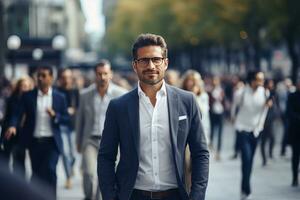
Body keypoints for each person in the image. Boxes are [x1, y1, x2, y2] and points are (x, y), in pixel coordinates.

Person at [97, 33, 209, 200]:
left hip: (175, 195)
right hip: (134, 195)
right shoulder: (118, 107)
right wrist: (110, 196)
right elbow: (106, 157)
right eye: (143, 60)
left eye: (156, 59)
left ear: (165, 63)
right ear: (134, 65)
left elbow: (200, 153)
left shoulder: (187, 101)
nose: (151, 65)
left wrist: (197, 196)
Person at [5, 66, 69, 199]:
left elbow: (66, 119)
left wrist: (55, 116)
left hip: (52, 142)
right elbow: (17, 113)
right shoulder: (28, 96)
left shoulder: (59, 97)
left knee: (50, 171)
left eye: (44, 76)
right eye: (38, 76)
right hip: (35, 142)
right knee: (37, 174)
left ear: (51, 78)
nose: (40, 78)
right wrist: (12, 125)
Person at [76, 60, 127, 200]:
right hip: (90, 140)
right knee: (89, 173)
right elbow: (80, 120)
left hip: (111, 141)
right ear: (95, 75)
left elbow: (125, 122)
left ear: (111, 74)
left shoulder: (121, 94)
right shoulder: (85, 94)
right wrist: (78, 142)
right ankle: (88, 197)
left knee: (105, 176)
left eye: (105, 73)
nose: (102, 77)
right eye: (99, 74)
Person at [231, 70, 271, 200]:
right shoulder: (241, 93)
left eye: (263, 79)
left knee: (250, 161)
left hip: (256, 131)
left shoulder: (265, 93)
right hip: (243, 130)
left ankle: (244, 188)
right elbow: (234, 106)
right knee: (246, 160)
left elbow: (264, 111)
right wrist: (233, 119)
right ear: (252, 80)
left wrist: (260, 125)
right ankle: (247, 190)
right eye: (259, 79)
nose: (262, 82)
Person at [0, 76, 33, 177]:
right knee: (5, 158)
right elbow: (12, 115)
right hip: (8, 131)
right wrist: (11, 125)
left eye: (26, 86)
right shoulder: (12, 99)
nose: (24, 88)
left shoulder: (31, 100)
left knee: (19, 161)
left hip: (22, 134)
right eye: (22, 86)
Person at [57, 68, 79, 189]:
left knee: (73, 154)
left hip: (72, 126)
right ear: (60, 78)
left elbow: (79, 108)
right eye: (64, 77)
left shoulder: (75, 91)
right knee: (65, 153)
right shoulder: (57, 91)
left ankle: (71, 168)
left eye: (68, 77)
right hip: (61, 125)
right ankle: (68, 177)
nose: (66, 79)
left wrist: (73, 110)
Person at [286, 78, 300, 187]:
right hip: (296, 131)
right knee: (295, 155)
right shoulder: (292, 96)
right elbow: (289, 112)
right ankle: (295, 177)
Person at [208, 76, 225, 160]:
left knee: (220, 134)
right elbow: (209, 102)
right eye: (213, 80)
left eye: (216, 81)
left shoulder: (221, 90)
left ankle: (218, 152)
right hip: (212, 113)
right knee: (212, 131)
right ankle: (211, 146)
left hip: (220, 113)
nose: (214, 82)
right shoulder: (210, 91)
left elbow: (224, 101)